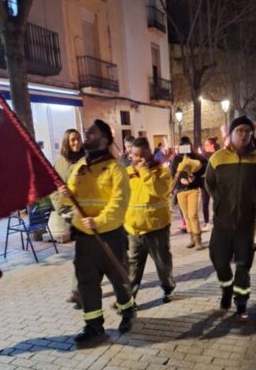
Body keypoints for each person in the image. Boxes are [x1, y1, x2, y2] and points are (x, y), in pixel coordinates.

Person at [64, 119, 134, 342]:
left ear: (104, 140)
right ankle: (94, 325)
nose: (87, 133)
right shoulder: (80, 167)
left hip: (110, 236)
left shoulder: (116, 169)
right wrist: (65, 195)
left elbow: (119, 203)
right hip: (85, 238)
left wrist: (99, 221)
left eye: (92, 132)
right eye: (87, 131)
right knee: (87, 282)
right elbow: (71, 198)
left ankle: (128, 310)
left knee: (119, 280)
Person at [206, 116, 256, 322]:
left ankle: (241, 302)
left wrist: (255, 201)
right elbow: (210, 183)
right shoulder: (217, 158)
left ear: (252, 135)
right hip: (222, 223)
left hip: (245, 224)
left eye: (247, 131)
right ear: (231, 134)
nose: (243, 135)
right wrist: (219, 201)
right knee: (219, 261)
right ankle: (226, 288)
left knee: (243, 265)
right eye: (239, 131)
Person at [125, 137, 175, 303]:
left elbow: (159, 191)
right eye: (133, 155)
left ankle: (168, 288)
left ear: (148, 155)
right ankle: (129, 299)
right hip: (134, 229)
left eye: (140, 155)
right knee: (133, 267)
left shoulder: (161, 171)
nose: (136, 159)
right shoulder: (127, 173)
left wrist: (145, 172)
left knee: (162, 263)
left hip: (157, 227)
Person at [51, 129, 85, 305]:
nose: (76, 142)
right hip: (69, 214)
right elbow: (53, 187)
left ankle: (78, 291)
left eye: (78, 139)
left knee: (83, 254)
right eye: (72, 140)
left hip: (86, 214)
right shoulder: (59, 163)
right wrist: (60, 208)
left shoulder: (87, 160)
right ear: (66, 142)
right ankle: (79, 289)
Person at [171, 136, 206, 249]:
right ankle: (192, 238)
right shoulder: (176, 159)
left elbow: (203, 169)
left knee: (193, 214)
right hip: (181, 191)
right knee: (186, 216)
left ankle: (198, 239)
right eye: (182, 146)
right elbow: (173, 173)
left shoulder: (196, 157)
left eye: (187, 145)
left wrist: (194, 178)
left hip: (193, 190)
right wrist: (181, 179)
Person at [201, 137, 220, 232]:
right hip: (205, 181)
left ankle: (216, 220)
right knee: (205, 202)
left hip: (215, 181)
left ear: (212, 145)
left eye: (206, 145)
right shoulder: (203, 155)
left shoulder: (217, 155)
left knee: (216, 201)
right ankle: (207, 222)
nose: (205, 147)